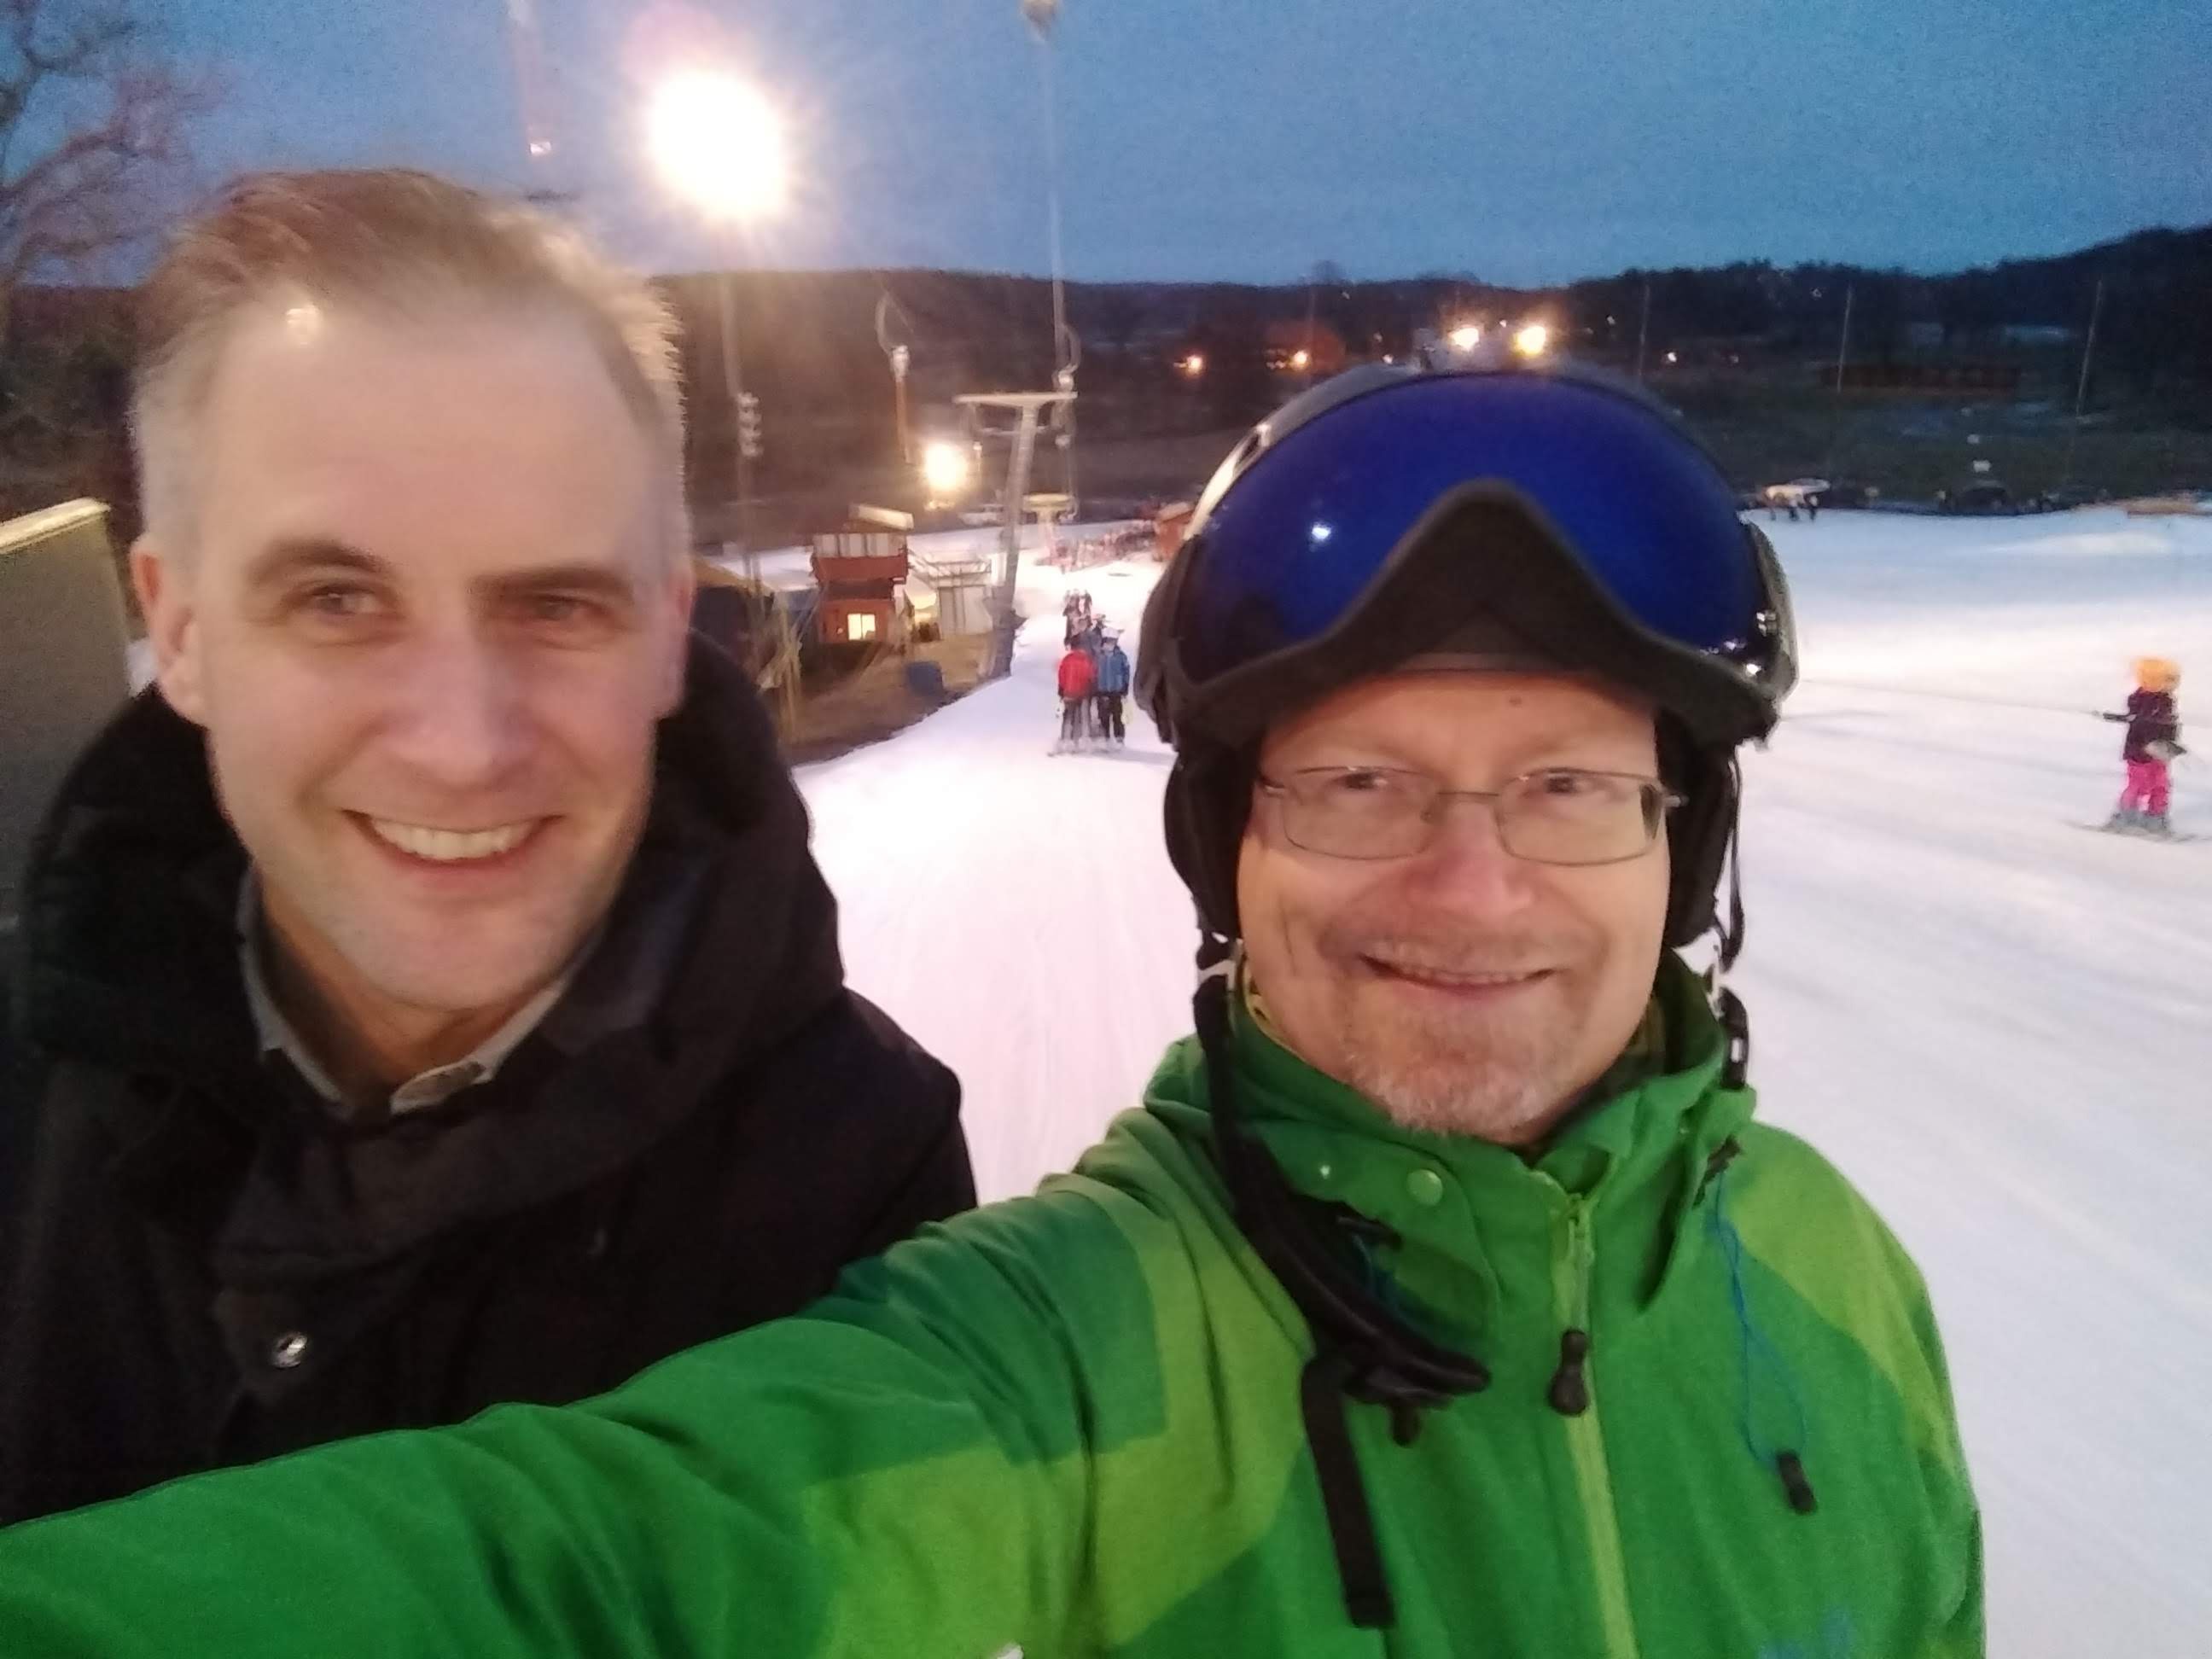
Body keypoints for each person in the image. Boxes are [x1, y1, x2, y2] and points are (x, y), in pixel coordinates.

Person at [0, 364, 1982, 1658]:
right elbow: (605, 1560)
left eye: (1565, 786)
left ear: (1679, 851)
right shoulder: (1072, 1336)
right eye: (1357, 782)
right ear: (1226, 851)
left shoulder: (1840, 1271)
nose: (1472, 888)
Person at [0, 169, 974, 1527]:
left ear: (665, 637)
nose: (463, 744)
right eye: (337, 600)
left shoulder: (855, 1156)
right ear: (178, 630)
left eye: (557, 605)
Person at [2100, 656, 2184, 835]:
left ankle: (2156, 817)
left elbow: (2170, 725)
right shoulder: (2140, 699)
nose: (2172, 684)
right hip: (2139, 752)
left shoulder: (2167, 700)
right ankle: (2126, 815)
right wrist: (2151, 739)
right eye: (2168, 680)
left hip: (2159, 752)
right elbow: (2142, 724)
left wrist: (2172, 742)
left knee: (2161, 785)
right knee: (2138, 784)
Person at [1057, 632, 1097, 749]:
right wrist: (1092, 688)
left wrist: (1061, 689)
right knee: (1083, 716)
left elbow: (1061, 675)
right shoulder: (1087, 660)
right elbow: (1091, 676)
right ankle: (1081, 739)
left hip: (1069, 692)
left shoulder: (1067, 659)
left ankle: (1066, 739)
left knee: (1068, 716)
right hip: (1083, 692)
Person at [1093, 627, 1132, 745]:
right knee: (1103, 716)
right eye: (1109, 641)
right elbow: (1093, 672)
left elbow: (1126, 671)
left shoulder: (1120, 656)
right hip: (1102, 690)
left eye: (1113, 641)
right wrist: (1094, 686)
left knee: (1117, 715)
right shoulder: (1098, 656)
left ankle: (1119, 738)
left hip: (1116, 690)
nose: (1111, 644)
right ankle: (1105, 738)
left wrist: (1125, 686)